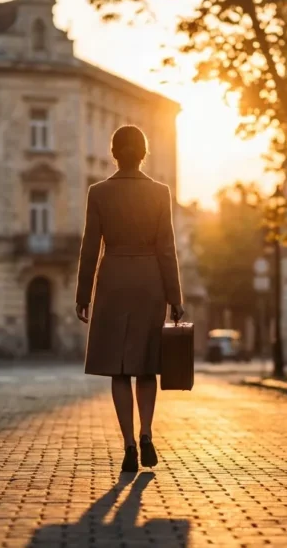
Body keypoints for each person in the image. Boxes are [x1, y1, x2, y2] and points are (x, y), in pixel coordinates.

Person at [75, 125, 185, 473]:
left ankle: (128, 444)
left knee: (118, 368)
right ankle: (148, 432)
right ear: (143, 153)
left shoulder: (98, 192)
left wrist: (83, 293)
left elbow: (90, 246)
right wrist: (174, 296)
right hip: (150, 281)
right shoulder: (160, 192)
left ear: (114, 153)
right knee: (146, 365)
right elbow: (167, 248)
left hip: (113, 281)